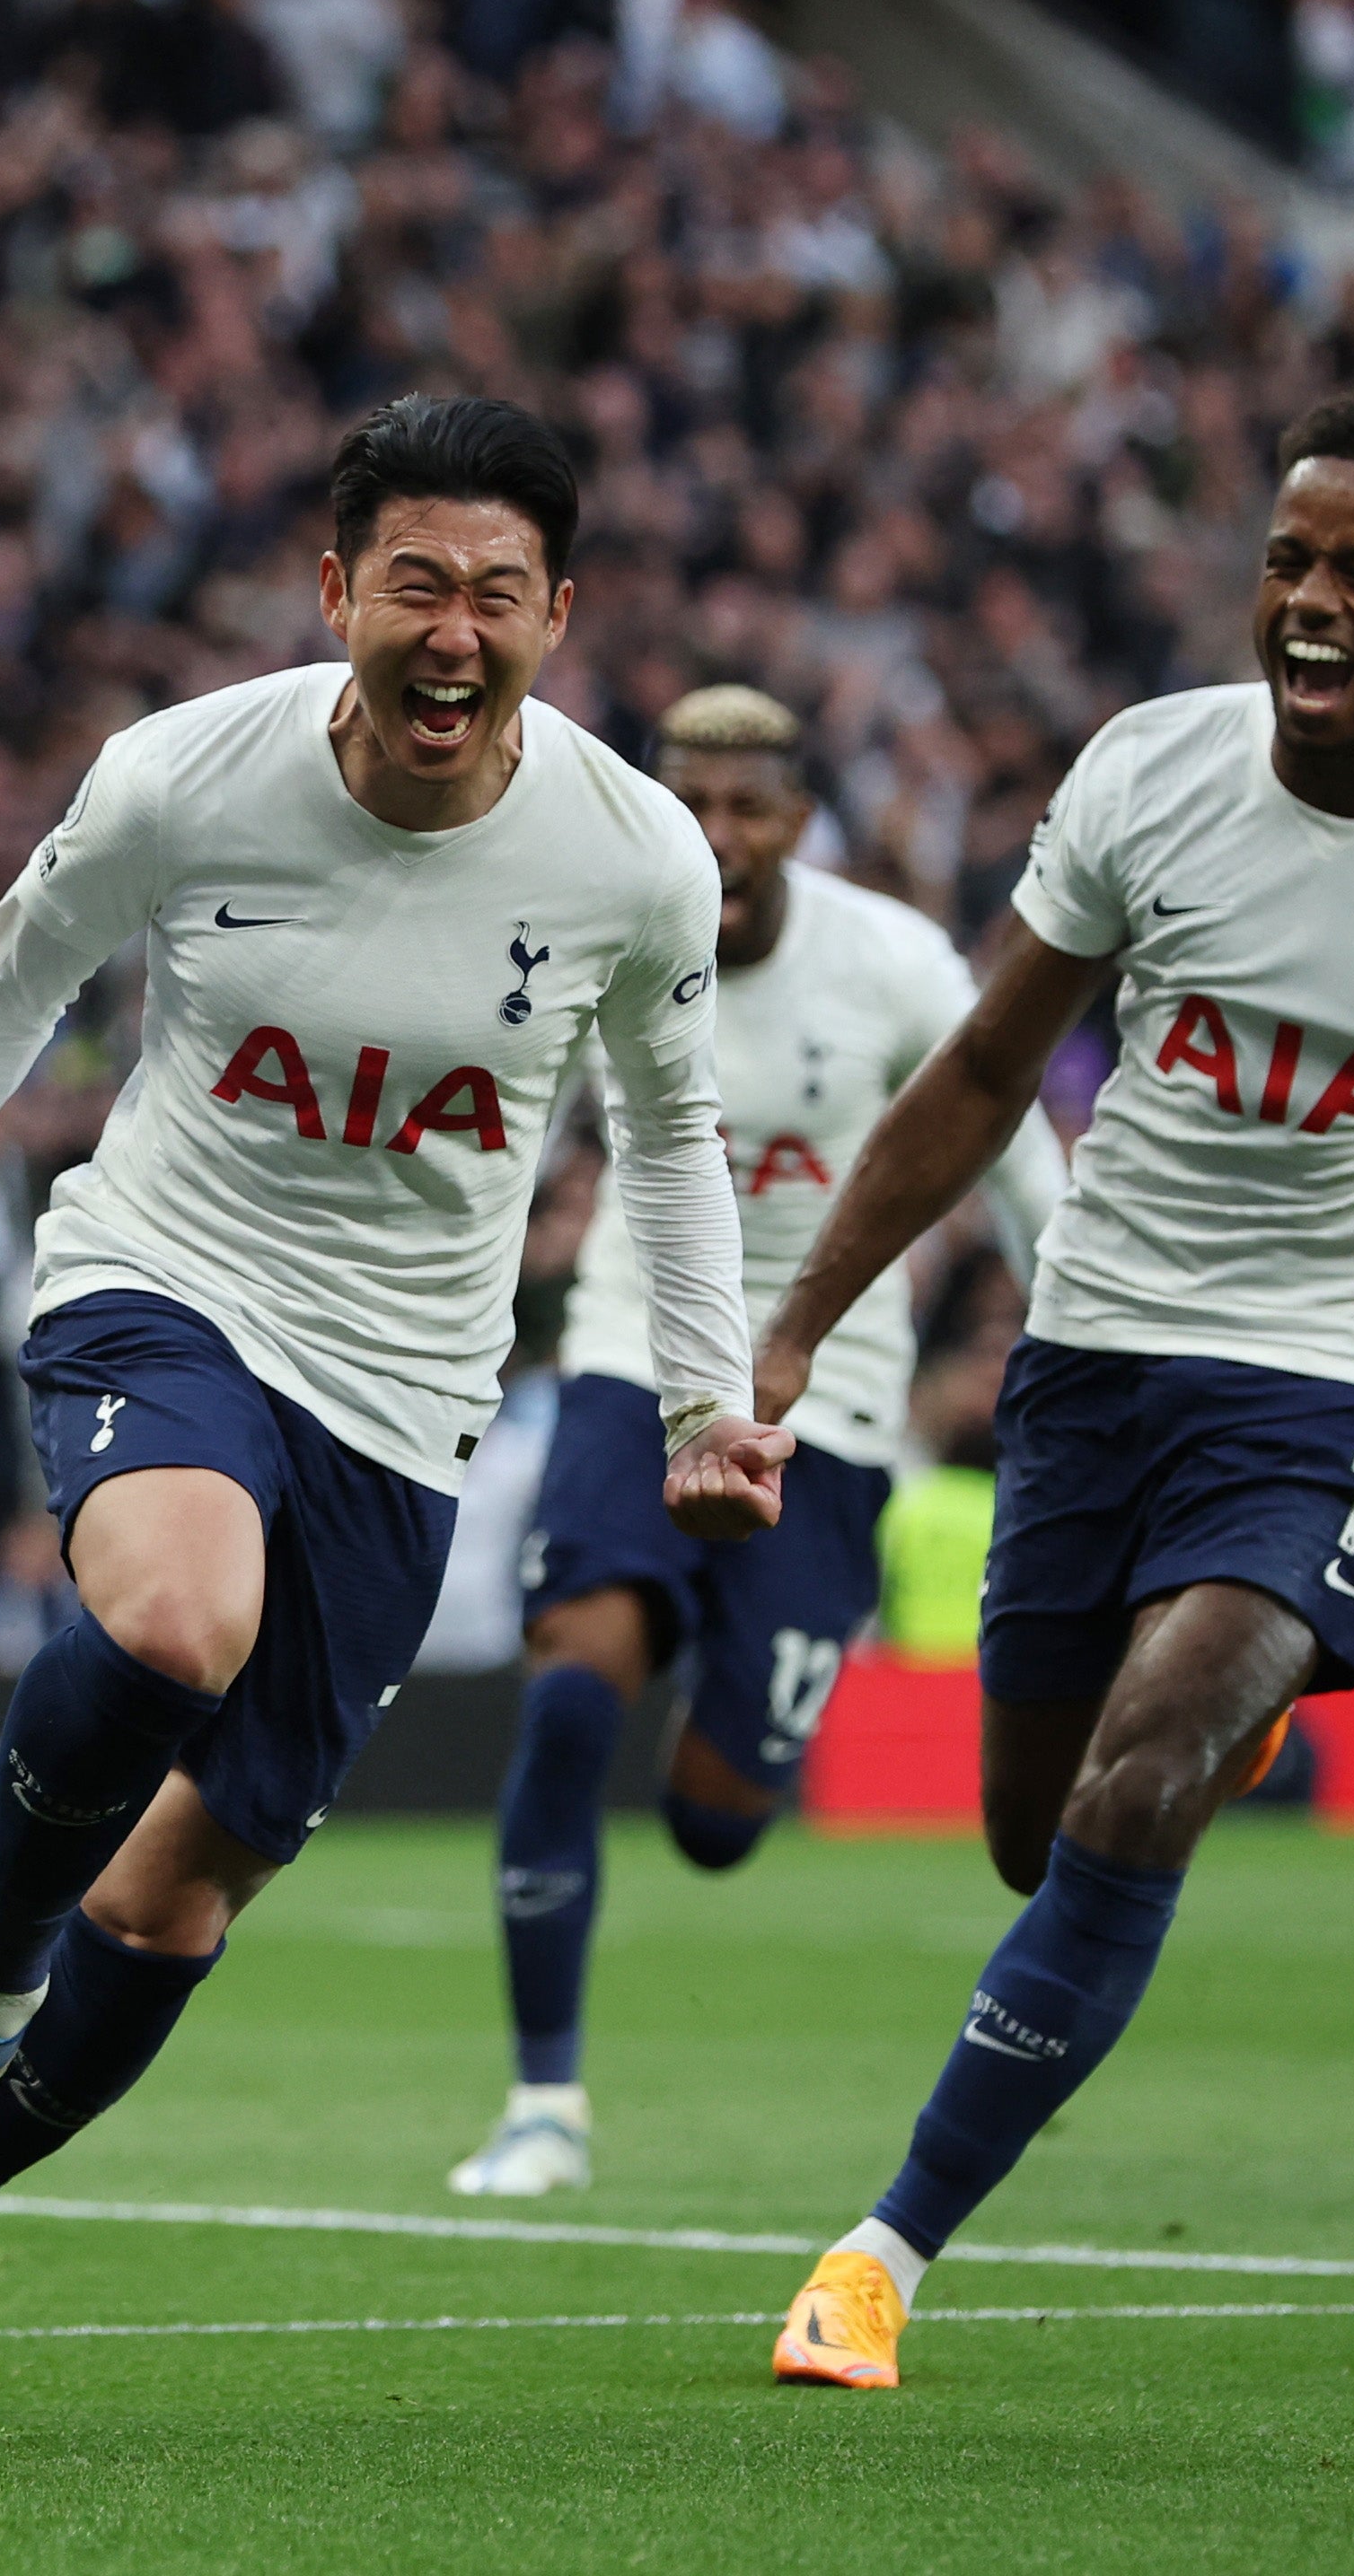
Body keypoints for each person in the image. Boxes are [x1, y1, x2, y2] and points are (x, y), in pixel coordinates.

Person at [0, 395, 787, 2422]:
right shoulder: (181, 776)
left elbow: (669, 1136)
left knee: (183, 1902)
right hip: (167, 1283)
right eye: (412, 580)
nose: (451, 629)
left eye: (497, 592)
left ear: (557, 617)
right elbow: (6, 984)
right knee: (171, 1621)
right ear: (336, 590)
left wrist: (703, 1398)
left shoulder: (631, 856)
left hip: (407, 1406)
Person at [743, 394, 1354, 2389]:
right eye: (1288, 562)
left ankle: (881, 2255)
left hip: (1339, 1378)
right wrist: (797, 1321)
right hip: (1097, 1348)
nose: (1311, 604)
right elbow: (985, 1075)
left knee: (1141, 1774)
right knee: (1035, 1831)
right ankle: (1218, 1717)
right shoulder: (1147, 773)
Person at [445, 681, 1065, 2197]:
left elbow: (1015, 1157)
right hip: (625, 1355)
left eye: (744, 808)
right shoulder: (593, 928)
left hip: (829, 1409)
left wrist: (1076, 1336)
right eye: (687, 804)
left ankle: (699, 1658)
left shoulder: (893, 965)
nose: (712, 837)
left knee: (720, 1822)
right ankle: (541, 2105)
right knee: (571, 1693)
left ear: (794, 819)